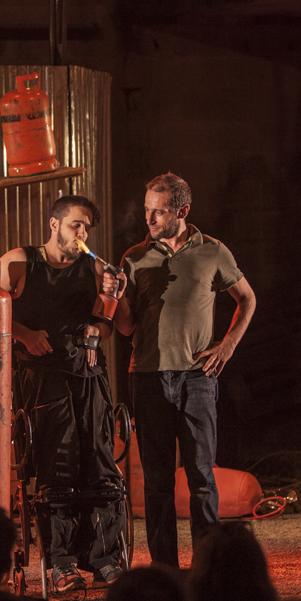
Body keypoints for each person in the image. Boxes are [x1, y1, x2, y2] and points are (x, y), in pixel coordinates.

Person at [115, 172, 256, 567]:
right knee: (157, 481)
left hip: (197, 378)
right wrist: (115, 297)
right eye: (147, 209)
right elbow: (125, 327)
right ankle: (165, 570)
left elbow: (247, 299)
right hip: (148, 376)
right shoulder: (134, 258)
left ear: (182, 211)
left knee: (201, 477)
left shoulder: (212, 251)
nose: (150, 218)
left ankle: (208, 566)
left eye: (159, 211)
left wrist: (227, 345)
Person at [0, 194, 128, 593]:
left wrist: (106, 309)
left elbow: (111, 325)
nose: (82, 233)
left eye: (87, 227)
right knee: (58, 464)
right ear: (54, 224)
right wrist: (24, 334)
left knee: (100, 463)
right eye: (76, 224)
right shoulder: (20, 261)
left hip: (88, 375)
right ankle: (61, 563)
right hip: (42, 377)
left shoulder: (94, 268)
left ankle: (106, 559)